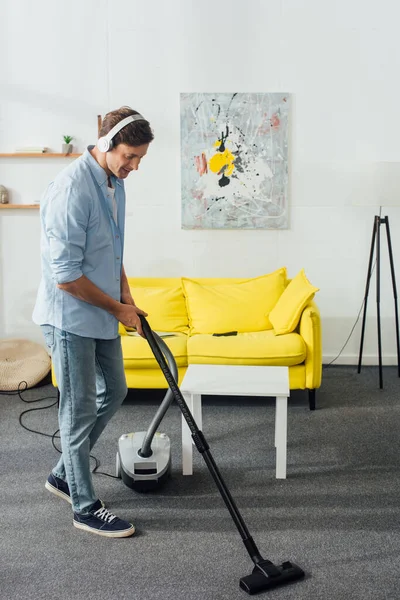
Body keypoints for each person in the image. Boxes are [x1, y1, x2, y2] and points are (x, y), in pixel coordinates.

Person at [32, 106, 154, 537]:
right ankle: (83, 505)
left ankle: (64, 473)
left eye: (140, 159)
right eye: (130, 156)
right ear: (106, 144)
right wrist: (117, 309)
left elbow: (113, 249)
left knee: (116, 389)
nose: (134, 167)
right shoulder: (71, 189)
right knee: (79, 407)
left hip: (100, 309)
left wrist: (127, 297)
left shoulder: (113, 183)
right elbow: (65, 277)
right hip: (69, 317)